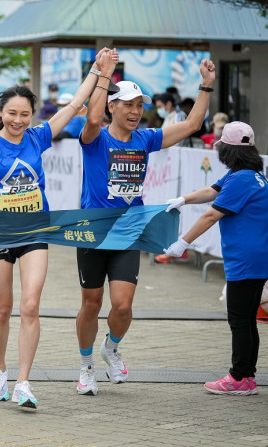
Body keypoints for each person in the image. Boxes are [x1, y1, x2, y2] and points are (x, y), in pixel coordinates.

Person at [0, 48, 117, 409]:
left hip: (36, 232)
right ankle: (0, 371)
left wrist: (98, 72)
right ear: (0, 114)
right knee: (2, 309)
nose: (18, 120)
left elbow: (73, 106)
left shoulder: (38, 138)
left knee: (31, 305)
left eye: (24, 114)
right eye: (12, 114)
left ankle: (23, 382)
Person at [74, 55, 215, 396]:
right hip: (93, 231)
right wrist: (104, 76)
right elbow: (92, 116)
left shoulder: (146, 139)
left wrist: (206, 84)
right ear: (112, 107)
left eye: (140, 105)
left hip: (129, 231)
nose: (136, 111)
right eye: (128, 105)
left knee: (122, 305)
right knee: (91, 304)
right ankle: (86, 365)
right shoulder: (95, 138)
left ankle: (111, 346)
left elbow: (193, 124)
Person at [163, 121, 268, 395]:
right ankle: (247, 377)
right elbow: (211, 192)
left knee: (240, 320)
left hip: (247, 261)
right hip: (259, 258)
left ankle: (239, 378)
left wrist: (182, 242)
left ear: (227, 150)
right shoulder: (246, 175)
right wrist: (183, 199)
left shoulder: (241, 179)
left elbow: (212, 214)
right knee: (247, 320)